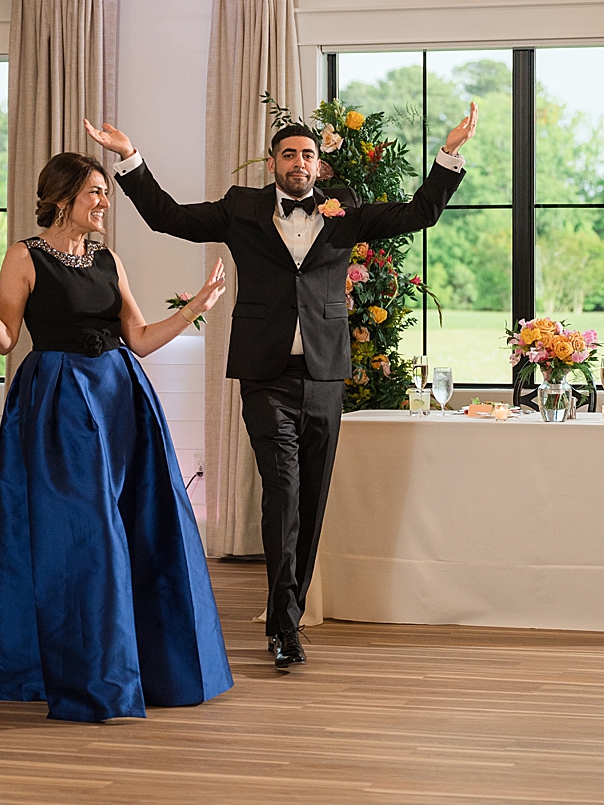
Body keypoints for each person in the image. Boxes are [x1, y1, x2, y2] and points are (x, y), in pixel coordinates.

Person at [88, 107, 475, 669]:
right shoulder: (242, 209)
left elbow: (422, 212)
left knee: (311, 499)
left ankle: (283, 615)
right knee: (285, 491)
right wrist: (131, 159)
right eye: (289, 154)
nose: (300, 163)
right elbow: (168, 217)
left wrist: (448, 154)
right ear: (273, 164)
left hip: (323, 375)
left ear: (320, 165)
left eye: (308, 155)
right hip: (264, 375)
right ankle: (286, 627)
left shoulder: (346, 211)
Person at [0, 151, 232, 722]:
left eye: (106, 192)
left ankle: (146, 669)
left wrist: (195, 309)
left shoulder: (108, 259)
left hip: (122, 396)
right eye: (96, 193)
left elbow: (141, 338)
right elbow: (5, 341)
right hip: (58, 403)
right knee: (84, 536)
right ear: (62, 198)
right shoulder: (23, 257)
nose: (106, 202)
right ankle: (92, 677)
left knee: (145, 526)